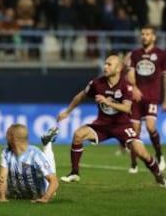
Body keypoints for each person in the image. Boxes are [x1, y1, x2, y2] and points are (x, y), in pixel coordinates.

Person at [58, 54, 166, 187]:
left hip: (122, 126)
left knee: (141, 152)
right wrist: (67, 112)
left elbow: (127, 108)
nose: (105, 66)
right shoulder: (97, 83)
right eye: (105, 63)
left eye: (109, 64)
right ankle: (74, 173)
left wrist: (108, 103)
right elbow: (81, 96)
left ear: (118, 69)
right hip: (103, 125)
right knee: (78, 135)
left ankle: (158, 175)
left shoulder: (126, 86)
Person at [126, 25, 166, 173]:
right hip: (136, 98)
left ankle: (160, 156)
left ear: (154, 37)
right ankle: (133, 163)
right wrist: (134, 87)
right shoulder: (135, 54)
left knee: (150, 127)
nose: (144, 37)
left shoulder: (161, 55)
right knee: (134, 131)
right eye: (143, 34)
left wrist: (165, 100)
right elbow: (130, 73)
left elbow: (165, 78)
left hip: (152, 97)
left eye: (147, 34)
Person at [0, 124, 59, 203]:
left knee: (50, 173)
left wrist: (45, 198)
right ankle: (47, 144)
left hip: (40, 193)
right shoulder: (6, 151)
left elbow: (54, 181)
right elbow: (2, 178)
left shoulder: (35, 154)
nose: (5, 138)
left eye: (7, 135)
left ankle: (47, 144)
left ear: (13, 137)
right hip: (18, 195)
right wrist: (2, 197)